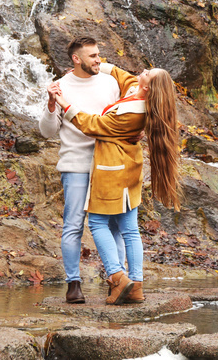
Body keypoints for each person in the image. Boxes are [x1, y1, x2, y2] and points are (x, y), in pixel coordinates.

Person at [54, 66, 182, 305]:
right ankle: (136, 285)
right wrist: (93, 64)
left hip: (112, 169)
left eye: (146, 73)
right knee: (129, 228)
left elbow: (93, 125)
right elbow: (122, 75)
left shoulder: (133, 113)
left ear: (147, 87)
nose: (141, 70)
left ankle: (117, 277)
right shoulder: (138, 91)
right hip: (130, 169)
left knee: (98, 222)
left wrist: (63, 102)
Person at [39, 36, 136, 304]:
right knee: (73, 226)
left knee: (115, 225)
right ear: (76, 59)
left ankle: (117, 281)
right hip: (76, 166)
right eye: (93, 56)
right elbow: (47, 133)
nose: (99, 60)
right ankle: (73, 284)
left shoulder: (110, 82)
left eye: (99, 54)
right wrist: (50, 106)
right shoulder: (60, 87)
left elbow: (123, 119)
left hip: (110, 165)